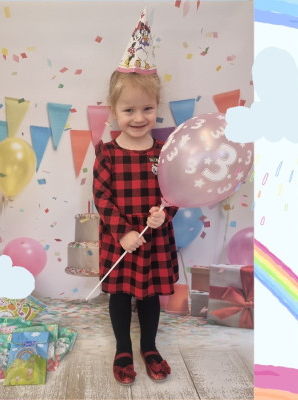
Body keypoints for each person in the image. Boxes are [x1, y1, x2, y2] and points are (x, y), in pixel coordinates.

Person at [93, 10, 179, 385]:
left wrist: (165, 214)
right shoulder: (107, 153)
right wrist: (122, 233)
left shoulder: (164, 152)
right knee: (119, 294)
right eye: (129, 110)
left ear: (157, 107)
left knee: (149, 296)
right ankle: (123, 348)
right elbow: (101, 197)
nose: (139, 117)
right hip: (121, 240)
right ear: (113, 112)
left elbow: (175, 190)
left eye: (147, 108)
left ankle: (149, 346)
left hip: (154, 240)